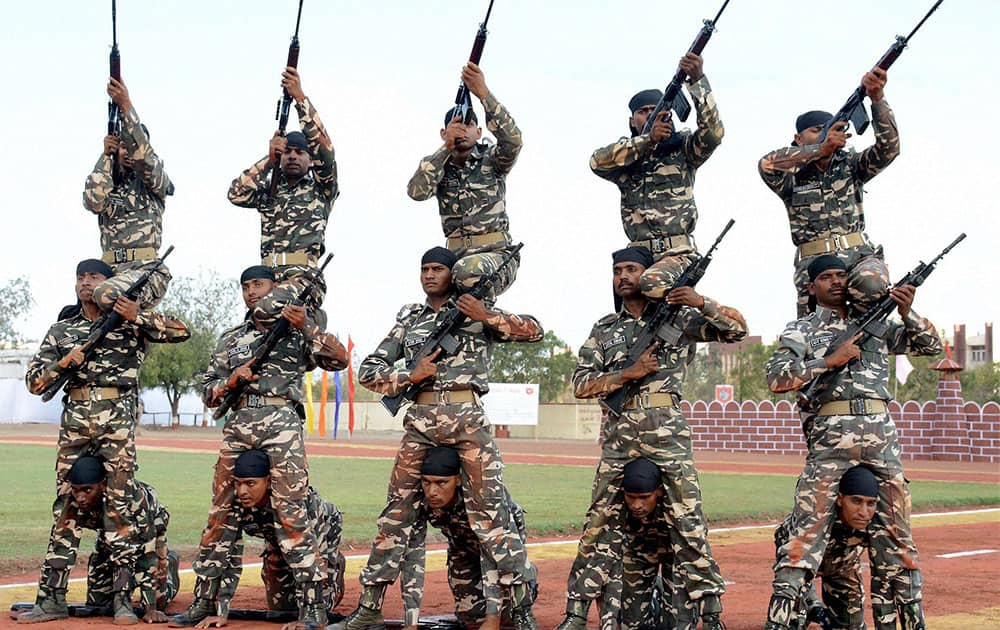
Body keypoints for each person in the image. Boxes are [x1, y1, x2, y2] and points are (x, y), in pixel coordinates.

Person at [337, 247, 542, 630]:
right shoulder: (410, 319)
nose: (430, 275)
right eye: (424, 268)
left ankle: (520, 607)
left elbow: (534, 330)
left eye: (438, 269)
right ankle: (369, 606)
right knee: (395, 515)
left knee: (492, 517)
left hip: (468, 418)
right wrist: (408, 378)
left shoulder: (476, 311)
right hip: (420, 420)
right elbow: (369, 369)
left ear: (454, 274)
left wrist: (487, 316)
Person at [558, 246, 746, 630]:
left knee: (688, 521)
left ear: (649, 276)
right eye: (618, 270)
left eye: (632, 269)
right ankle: (576, 611)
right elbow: (580, 383)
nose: (624, 276)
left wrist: (699, 300)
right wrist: (626, 374)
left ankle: (711, 614)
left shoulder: (681, 319)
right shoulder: (605, 329)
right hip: (619, 433)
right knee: (600, 521)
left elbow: (736, 329)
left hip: (667, 432)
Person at [762, 255, 941, 630]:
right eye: (826, 277)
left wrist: (908, 312)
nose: (836, 282)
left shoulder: (876, 325)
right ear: (811, 287)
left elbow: (931, 347)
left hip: (880, 436)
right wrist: (828, 361)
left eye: (842, 275)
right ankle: (782, 619)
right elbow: (777, 378)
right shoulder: (803, 329)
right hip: (831, 438)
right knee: (805, 537)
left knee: (896, 537)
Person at [173, 266, 347, 629]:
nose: (252, 292)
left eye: (259, 285)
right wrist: (232, 380)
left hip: (281, 420)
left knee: (290, 512)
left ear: (275, 289)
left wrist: (306, 326)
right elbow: (208, 391)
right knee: (221, 513)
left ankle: (313, 605)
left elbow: (339, 360)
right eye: (246, 286)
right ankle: (205, 600)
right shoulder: (231, 338)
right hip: (238, 423)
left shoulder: (297, 329)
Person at [22, 259, 189, 624]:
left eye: (93, 277)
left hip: (117, 420)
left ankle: (123, 600)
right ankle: (50, 597)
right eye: (80, 277)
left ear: (107, 284)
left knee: (121, 509)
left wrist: (137, 315)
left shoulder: (130, 322)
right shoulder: (62, 329)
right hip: (76, 422)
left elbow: (180, 332)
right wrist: (64, 363)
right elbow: (35, 382)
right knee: (67, 508)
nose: (85, 282)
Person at [758, 68, 898, 317]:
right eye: (816, 130)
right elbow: (766, 164)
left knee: (871, 288)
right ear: (798, 139)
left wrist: (877, 99)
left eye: (830, 129)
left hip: (857, 260)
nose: (826, 134)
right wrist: (820, 149)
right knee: (814, 338)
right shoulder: (791, 176)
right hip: (813, 268)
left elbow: (889, 149)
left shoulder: (851, 165)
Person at [590, 53, 724, 300]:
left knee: (653, 286)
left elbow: (713, 135)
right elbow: (597, 162)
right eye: (643, 112)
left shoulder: (682, 147)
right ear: (632, 120)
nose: (650, 115)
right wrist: (647, 140)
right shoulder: (627, 154)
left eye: (656, 110)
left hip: (677, 253)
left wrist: (698, 81)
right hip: (636, 258)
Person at [186, 450, 346, 629]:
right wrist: (221, 612)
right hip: (275, 537)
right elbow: (223, 553)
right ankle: (278, 557)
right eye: (238, 484)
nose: (242, 491)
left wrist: (309, 615)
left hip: (318, 533)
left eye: (250, 484)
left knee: (317, 607)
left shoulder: (296, 503)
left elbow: (307, 558)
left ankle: (334, 569)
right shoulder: (233, 503)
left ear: (269, 481)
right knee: (282, 608)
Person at [15, 456, 180, 625]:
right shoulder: (72, 501)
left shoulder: (132, 500)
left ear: (102, 485)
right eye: (76, 490)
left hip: (148, 529)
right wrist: (45, 600)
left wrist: (150, 607)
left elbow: (147, 552)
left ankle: (170, 567)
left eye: (87, 490)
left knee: (159, 601)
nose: (80, 497)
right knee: (99, 603)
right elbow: (60, 546)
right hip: (108, 531)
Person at [227, 67, 338, 318]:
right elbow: (235, 193)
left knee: (266, 309)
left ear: (310, 161)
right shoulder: (269, 191)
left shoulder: (321, 189)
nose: (293, 157)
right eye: (287, 152)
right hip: (266, 280)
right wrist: (268, 161)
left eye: (300, 153)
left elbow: (325, 151)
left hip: (303, 279)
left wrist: (299, 98)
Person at [406, 63, 522, 299]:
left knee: (466, 272)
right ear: (443, 132)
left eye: (469, 125)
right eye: (456, 126)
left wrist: (483, 93)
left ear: (479, 132)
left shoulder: (492, 160)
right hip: (454, 260)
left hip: (496, 256)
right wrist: (444, 149)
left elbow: (513, 141)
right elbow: (416, 192)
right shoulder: (438, 165)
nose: (463, 131)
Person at [397, 446, 538, 630]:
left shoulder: (481, 497)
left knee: (508, 618)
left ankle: (525, 586)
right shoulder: (419, 500)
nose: (432, 491)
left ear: (457, 480)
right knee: (471, 618)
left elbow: (491, 554)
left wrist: (492, 619)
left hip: (501, 545)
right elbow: (412, 559)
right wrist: (411, 622)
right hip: (462, 546)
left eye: (441, 483)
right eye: (426, 482)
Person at [83, 76, 174, 312]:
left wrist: (125, 105)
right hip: (109, 272)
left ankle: (150, 323)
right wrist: (105, 156)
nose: (128, 153)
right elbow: (94, 201)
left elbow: (144, 157)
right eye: (122, 146)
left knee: (102, 294)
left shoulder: (154, 181)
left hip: (144, 272)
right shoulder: (110, 183)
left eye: (131, 146)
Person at [774, 465, 883, 630]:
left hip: (842, 563)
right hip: (802, 558)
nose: (864, 512)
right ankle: (810, 604)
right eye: (856, 501)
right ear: (839, 499)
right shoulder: (817, 518)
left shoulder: (877, 522)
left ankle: (817, 610)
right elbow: (790, 576)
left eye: (871, 503)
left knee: (852, 625)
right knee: (793, 623)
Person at [615, 457, 684, 630]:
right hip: (637, 550)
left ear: (659, 491)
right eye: (631, 497)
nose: (636, 505)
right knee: (631, 625)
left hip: (676, 552)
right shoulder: (615, 506)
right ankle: (651, 601)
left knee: (674, 624)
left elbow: (699, 555)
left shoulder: (680, 507)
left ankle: (663, 598)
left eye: (644, 497)